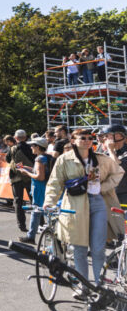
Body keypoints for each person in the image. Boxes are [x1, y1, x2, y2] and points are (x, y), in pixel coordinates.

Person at [44, 128, 124, 298]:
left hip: (97, 204)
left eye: (90, 138)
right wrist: (49, 202)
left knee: (98, 248)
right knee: (79, 248)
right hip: (75, 205)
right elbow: (54, 183)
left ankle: (99, 286)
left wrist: (102, 188)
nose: (88, 140)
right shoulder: (64, 160)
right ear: (73, 141)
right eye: (83, 138)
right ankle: (83, 286)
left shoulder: (101, 159)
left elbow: (118, 172)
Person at [16, 137, 51, 244]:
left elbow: (40, 177)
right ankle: (32, 236)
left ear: (38, 147)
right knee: (40, 212)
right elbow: (39, 171)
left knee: (42, 211)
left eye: (33, 145)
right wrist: (26, 167)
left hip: (40, 188)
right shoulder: (46, 157)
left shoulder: (39, 159)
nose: (31, 147)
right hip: (45, 188)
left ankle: (34, 236)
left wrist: (26, 173)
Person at [6, 129, 34, 232]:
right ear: (26, 137)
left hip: (16, 177)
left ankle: (21, 225)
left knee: (18, 201)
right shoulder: (31, 147)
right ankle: (39, 223)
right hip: (29, 176)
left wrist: (19, 167)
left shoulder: (12, 148)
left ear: (16, 138)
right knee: (33, 200)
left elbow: (8, 159)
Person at [104, 124, 127, 205]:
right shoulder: (107, 153)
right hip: (110, 193)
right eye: (107, 136)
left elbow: (118, 168)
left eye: (112, 136)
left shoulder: (123, 152)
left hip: (124, 194)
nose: (109, 140)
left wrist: (110, 151)